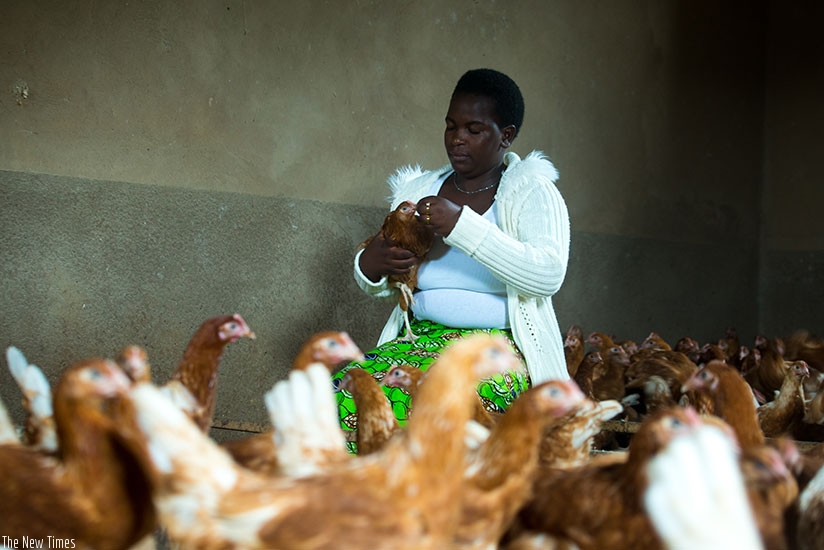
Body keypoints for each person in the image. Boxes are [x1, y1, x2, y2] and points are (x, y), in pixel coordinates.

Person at [334, 68, 570, 451]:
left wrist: (461, 225)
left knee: (435, 408)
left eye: (473, 130)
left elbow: (547, 275)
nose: (458, 138)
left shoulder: (531, 191)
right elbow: (391, 286)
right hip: (417, 340)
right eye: (451, 126)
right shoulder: (419, 190)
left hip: (498, 350)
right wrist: (371, 264)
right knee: (341, 396)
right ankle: (367, 490)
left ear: (506, 136)